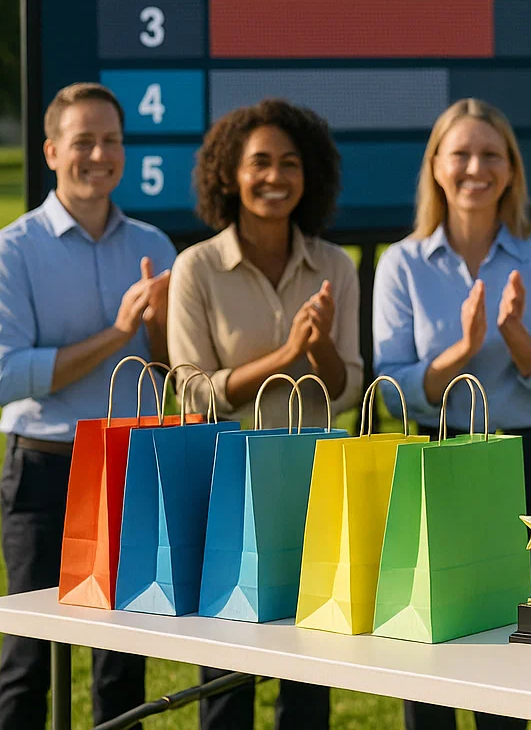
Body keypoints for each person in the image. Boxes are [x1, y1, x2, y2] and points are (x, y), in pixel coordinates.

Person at [0, 83, 172, 729]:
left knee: (123, 661)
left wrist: (164, 328)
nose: (99, 154)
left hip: (130, 470)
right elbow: (5, 378)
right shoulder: (10, 251)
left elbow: (171, 373)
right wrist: (117, 335)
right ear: (52, 151)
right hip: (44, 471)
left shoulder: (154, 246)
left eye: (111, 140)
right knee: (30, 655)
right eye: (83, 141)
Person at [373, 98, 531, 730]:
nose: (475, 168)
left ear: (511, 170)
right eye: (460, 153)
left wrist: (513, 333)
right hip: (435, 458)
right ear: (436, 166)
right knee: (427, 645)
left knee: (515, 649)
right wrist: (461, 350)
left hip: (523, 461)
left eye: (492, 154)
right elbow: (391, 393)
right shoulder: (401, 262)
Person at [167, 98, 361, 730]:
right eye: (259, 163)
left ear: (310, 177)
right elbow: (192, 392)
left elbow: (347, 391)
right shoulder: (196, 266)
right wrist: (285, 355)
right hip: (226, 485)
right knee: (227, 672)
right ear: (229, 174)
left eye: (289, 163)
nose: (274, 177)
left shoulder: (336, 266)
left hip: (315, 485)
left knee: (310, 667)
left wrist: (320, 344)